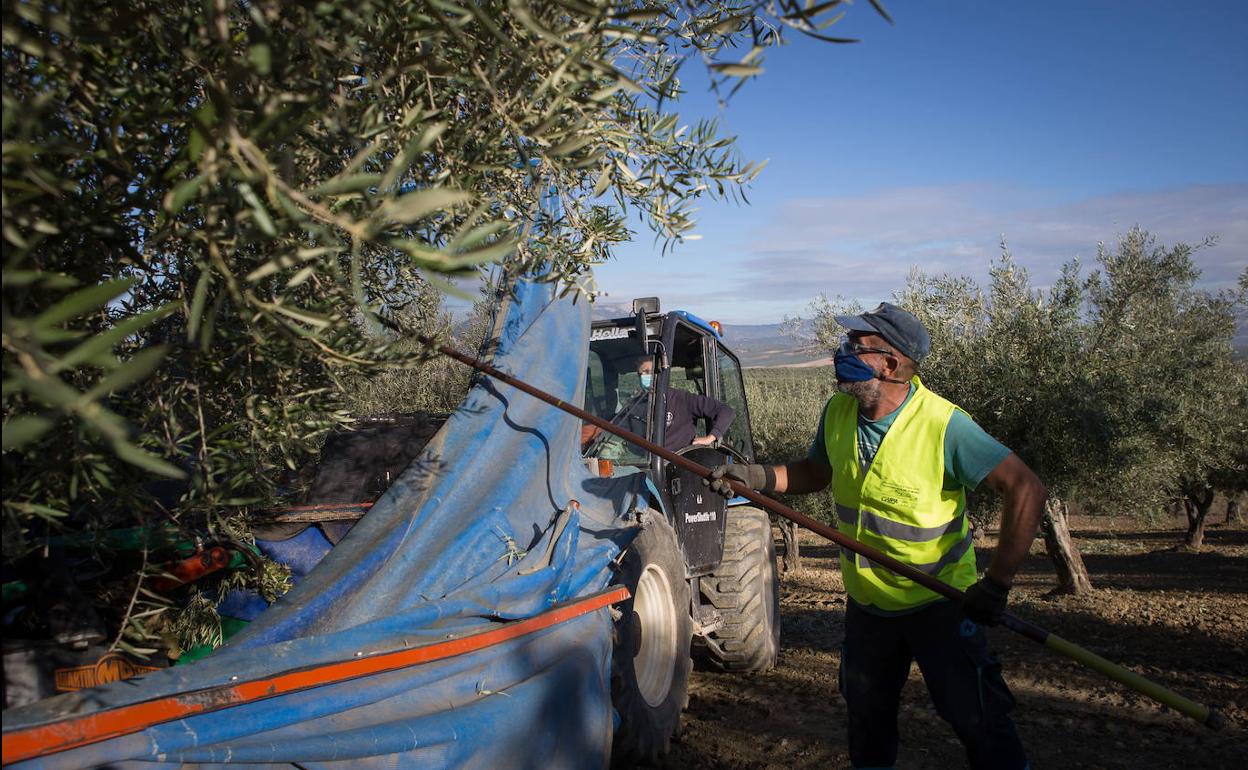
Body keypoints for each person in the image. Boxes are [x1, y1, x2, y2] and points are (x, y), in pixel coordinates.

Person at [708, 302, 1044, 770]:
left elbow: (1025, 487)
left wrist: (997, 584)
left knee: (977, 719)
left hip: (940, 603)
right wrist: (755, 477)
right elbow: (815, 472)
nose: (839, 352)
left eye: (854, 346)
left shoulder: (944, 425)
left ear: (890, 364)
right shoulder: (839, 411)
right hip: (868, 607)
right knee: (867, 720)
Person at [638, 358, 735, 452]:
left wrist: (711, 437)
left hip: (682, 462)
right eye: (640, 374)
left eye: (647, 372)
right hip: (649, 464)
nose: (643, 376)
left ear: (660, 373)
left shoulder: (682, 399)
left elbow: (726, 411)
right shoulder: (636, 406)